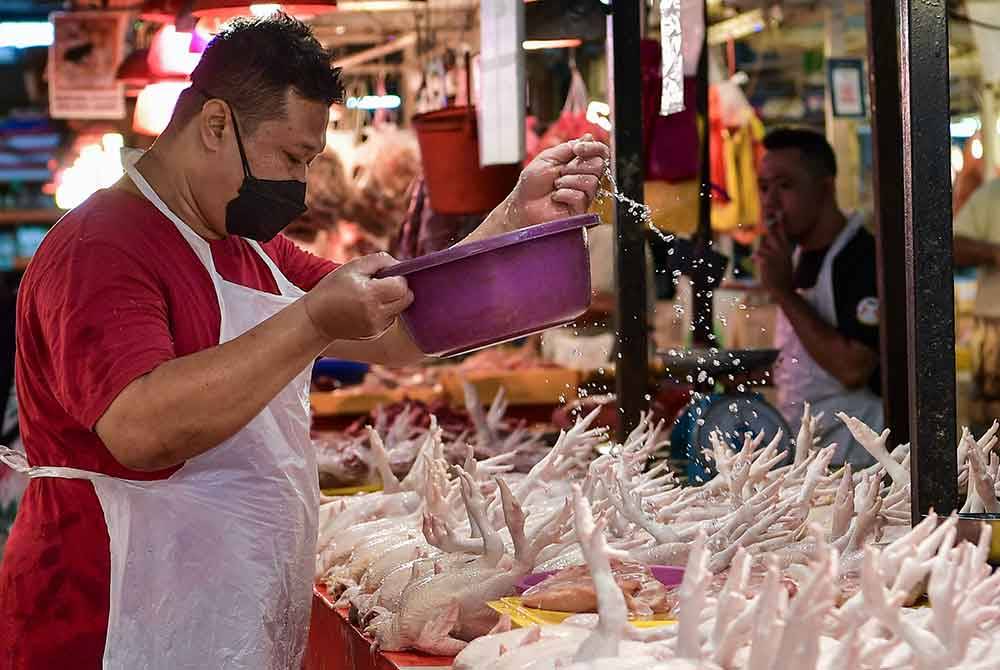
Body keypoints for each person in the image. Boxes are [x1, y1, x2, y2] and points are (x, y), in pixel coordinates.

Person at [0, 14, 609, 669]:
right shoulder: (103, 247)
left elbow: (405, 324)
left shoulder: (250, 247)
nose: (302, 185)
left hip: (219, 615)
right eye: (293, 157)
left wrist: (516, 218)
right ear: (214, 126)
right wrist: (313, 321)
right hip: (105, 623)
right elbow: (141, 430)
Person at [753, 127, 881, 467]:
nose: (771, 201)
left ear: (825, 188)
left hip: (859, 458)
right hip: (807, 453)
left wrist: (782, 292)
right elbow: (803, 362)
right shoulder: (795, 256)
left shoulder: (863, 258)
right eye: (764, 188)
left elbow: (853, 368)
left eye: (785, 186)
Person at [953, 176, 1000, 432]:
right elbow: (952, 245)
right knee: (991, 432)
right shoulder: (993, 194)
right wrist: (994, 253)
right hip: (995, 335)